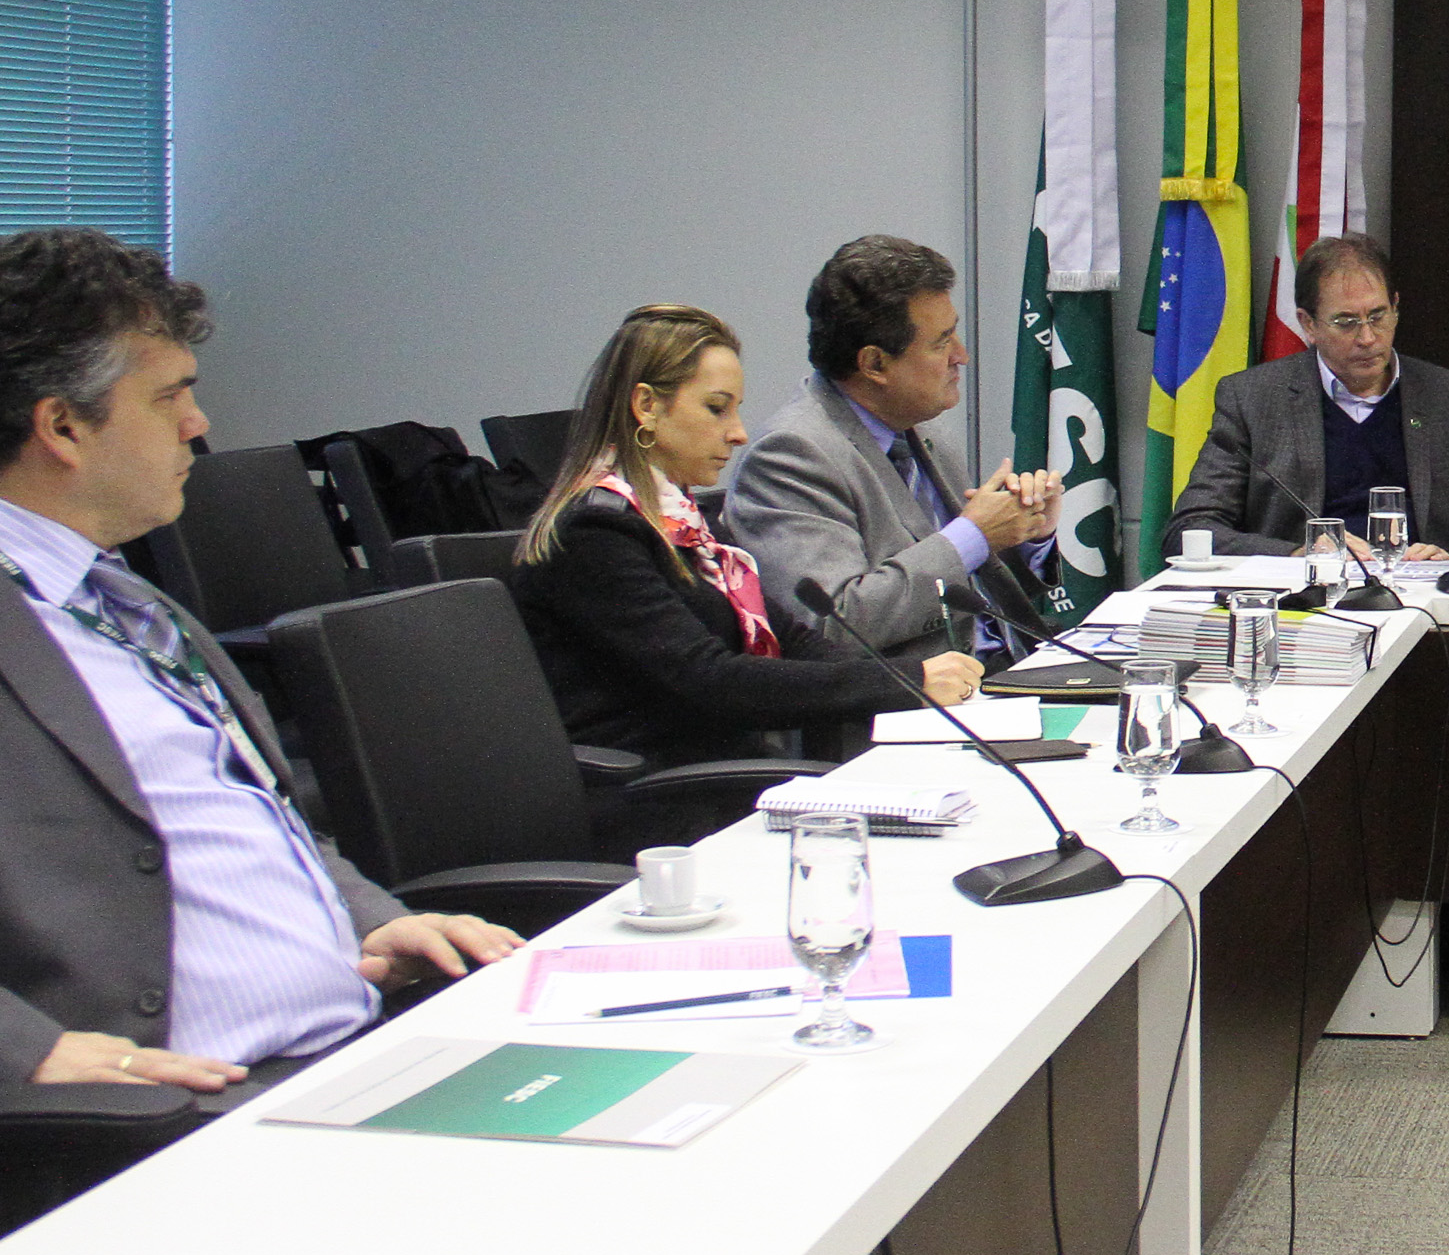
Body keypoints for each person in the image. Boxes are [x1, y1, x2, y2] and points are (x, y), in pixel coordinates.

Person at [0, 229, 517, 1188]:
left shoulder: (121, 600)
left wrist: (364, 919)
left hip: (349, 1049)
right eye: (169, 397)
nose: (198, 424)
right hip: (175, 1119)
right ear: (62, 428)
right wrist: (21, 1051)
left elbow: (250, 810)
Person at [513, 304, 982, 772]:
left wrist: (908, 680)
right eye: (716, 408)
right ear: (647, 406)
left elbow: (794, 641)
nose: (738, 434)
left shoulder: (683, 523)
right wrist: (905, 683)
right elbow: (711, 680)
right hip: (663, 790)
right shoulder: (595, 533)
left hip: (722, 773)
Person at [722, 235, 1060, 663]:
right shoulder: (790, 456)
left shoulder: (923, 428)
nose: (962, 356)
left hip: (1008, 672)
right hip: (913, 698)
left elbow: (969, 586)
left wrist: (1028, 533)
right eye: (941, 342)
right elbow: (833, 625)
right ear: (875, 364)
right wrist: (974, 535)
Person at [1169, 233, 1449, 567]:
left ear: (1396, 307)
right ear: (1308, 324)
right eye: (1346, 322)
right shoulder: (1253, 399)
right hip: (1305, 597)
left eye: (1378, 316)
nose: (1368, 337)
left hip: (1426, 596)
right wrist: (1297, 554)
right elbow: (1191, 529)